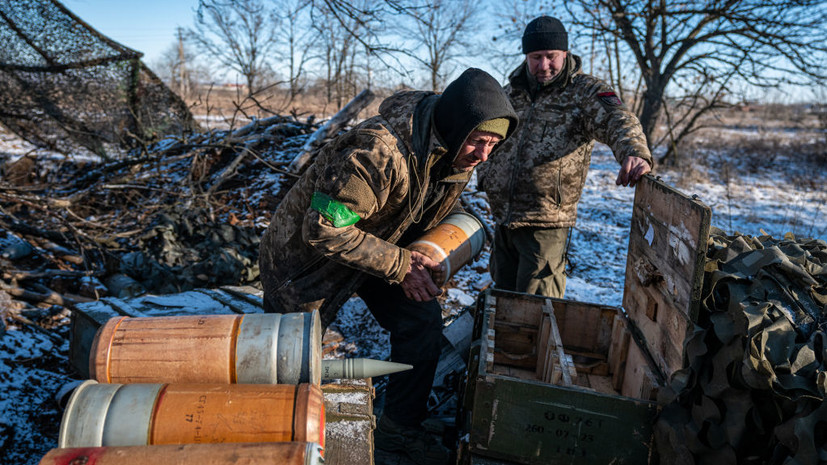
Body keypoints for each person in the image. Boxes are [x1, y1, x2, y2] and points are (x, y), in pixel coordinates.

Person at [259, 68, 517, 465]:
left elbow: (436, 207)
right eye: (478, 141)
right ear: (455, 125)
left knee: (422, 321)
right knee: (291, 360)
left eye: (493, 145)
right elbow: (325, 229)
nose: (483, 155)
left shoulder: (455, 150)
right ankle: (280, 440)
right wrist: (400, 265)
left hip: (379, 245)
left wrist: (438, 253)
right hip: (307, 261)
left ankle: (399, 430)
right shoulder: (378, 150)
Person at [477, 16, 653, 299]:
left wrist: (634, 152)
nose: (544, 65)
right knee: (502, 300)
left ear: (565, 54)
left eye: (551, 56)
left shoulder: (584, 92)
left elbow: (618, 120)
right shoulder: (510, 92)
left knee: (535, 308)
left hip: (545, 222)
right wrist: (485, 177)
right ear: (526, 56)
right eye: (536, 57)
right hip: (503, 219)